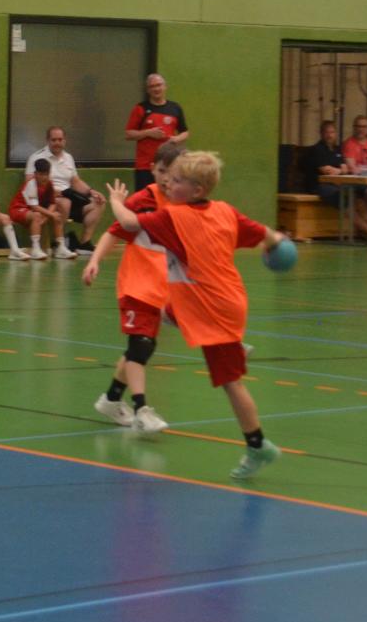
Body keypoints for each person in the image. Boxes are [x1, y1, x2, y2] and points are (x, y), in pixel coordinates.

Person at [106, 150, 293, 479]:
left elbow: (129, 223)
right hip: (224, 300)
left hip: (210, 308)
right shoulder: (225, 211)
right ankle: (231, 347)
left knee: (231, 383)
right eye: (170, 178)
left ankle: (258, 445)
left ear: (197, 190)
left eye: (178, 181)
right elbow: (266, 234)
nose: (170, 183)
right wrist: (277, 245)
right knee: (161, 310)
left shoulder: (174, 218)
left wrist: (116, 201)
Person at [83, 141, 187, 433]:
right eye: (162, 171)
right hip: (135, 285)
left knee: (143, 348)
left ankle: (111, 399)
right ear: (152, 169)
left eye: (174, 174)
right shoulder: (144, 200)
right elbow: (114, 232)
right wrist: (95, 260)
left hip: (161, 289)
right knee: (139, 346)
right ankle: (142, 409)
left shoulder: (182, 202)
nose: (166, 179)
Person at [25, 126, 105, 257]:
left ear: (65, 140)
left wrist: (92, 192)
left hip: (68, 196)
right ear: (47, 140)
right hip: (48, 200)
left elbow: (75, 181)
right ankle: (58, 245)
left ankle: (84, 244)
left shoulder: (68, 158)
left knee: (98, 202)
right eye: (54, 140)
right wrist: (51, 192)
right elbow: (29, 182)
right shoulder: (36, 157)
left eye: (60, 139)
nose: (57, 143)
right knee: (65, 202)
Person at [300, 119, 367, 239]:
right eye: (327, 132)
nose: (330, 135)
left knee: (358, 195)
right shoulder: (317, 149)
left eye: (332, 132)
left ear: (336, 133)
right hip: (318, 185)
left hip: (336, 183)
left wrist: (339, 170)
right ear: (321, 134)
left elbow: (345, 168)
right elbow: (326, 171)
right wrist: (340, 170)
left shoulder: (338, 149)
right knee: (343, 198)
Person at [124, 73, 189, 191]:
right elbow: (128, 134)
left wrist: (176, 139)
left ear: (165, 86)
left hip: (168, 164)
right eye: (152, 86)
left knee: (168, 196)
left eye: (159, 85)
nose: (156, 89)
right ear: (148, 90)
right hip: (145, 166)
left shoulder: (175, 108)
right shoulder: (140, 108)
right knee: (145, 198)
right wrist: (148, 133)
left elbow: (185, 132)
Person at [11, 158, 68, 260]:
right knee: (38, 215)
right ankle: (35, 249)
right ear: (35, 174)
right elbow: (34, 206)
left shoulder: (49, 184)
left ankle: (61, 248)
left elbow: (52, 203)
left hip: (34, 211)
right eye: (41, 174)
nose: (44, 177)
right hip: (18, 209)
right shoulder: (31, 184)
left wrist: (47, 216)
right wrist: (50, 214)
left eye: (47, 174)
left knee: (58, 216)